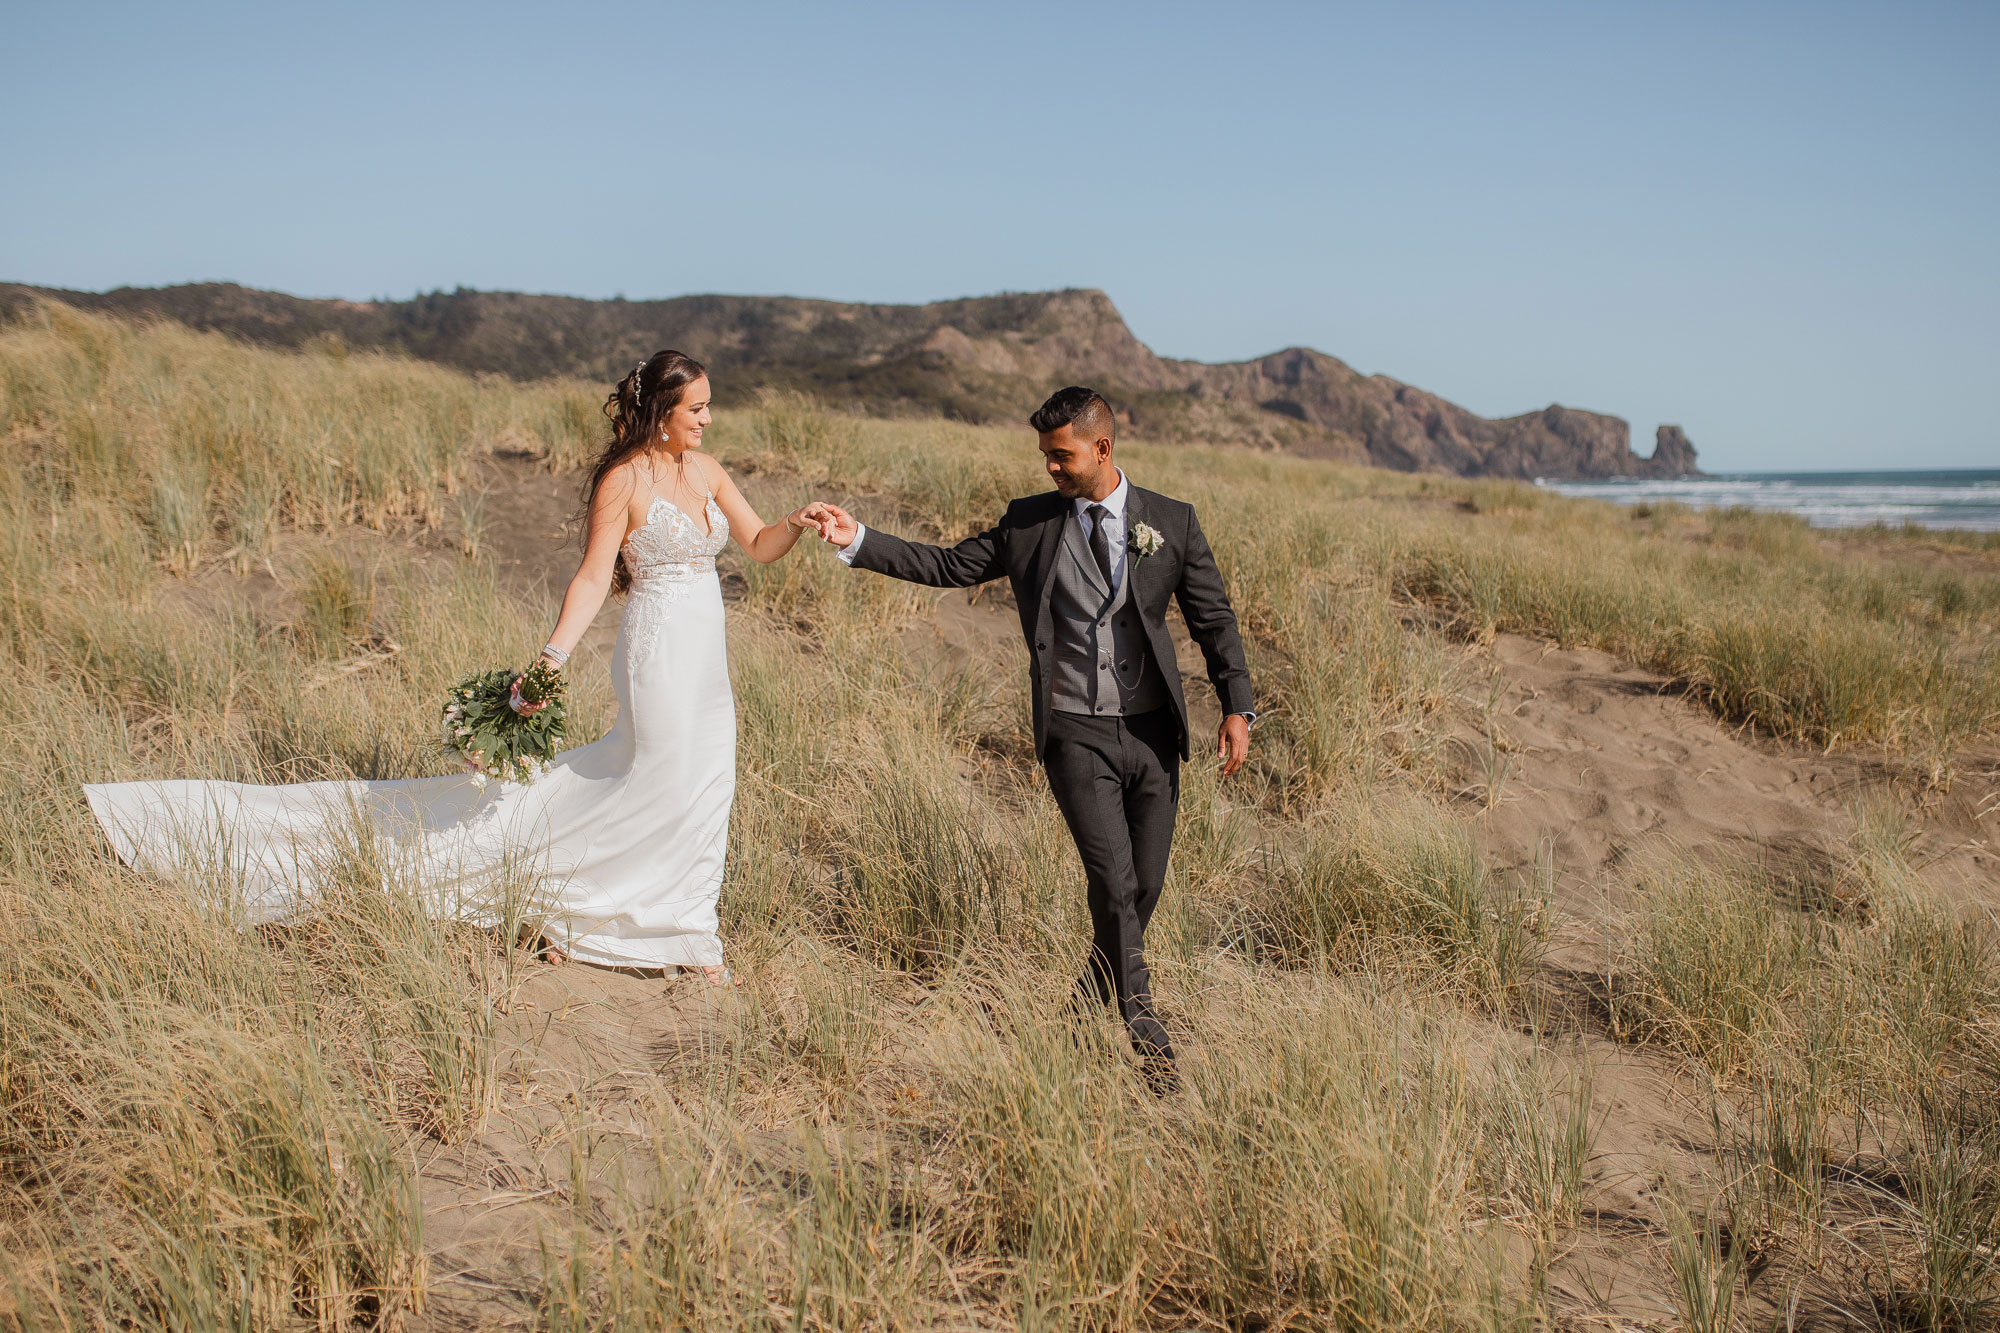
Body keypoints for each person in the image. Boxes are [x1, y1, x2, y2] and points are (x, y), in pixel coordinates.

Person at [85, 350, 836, 983]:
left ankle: (683, 922)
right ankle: (603, 911)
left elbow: (758, 544)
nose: (708, 420)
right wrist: (547, 665)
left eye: (708, 409)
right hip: (657, 652)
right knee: (656, 771)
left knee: (706, 781)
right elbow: (588, 580)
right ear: (662, 410)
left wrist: (797, 525)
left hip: (709, 662)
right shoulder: (625, 481)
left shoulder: (706, 472)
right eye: (697, 408)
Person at [814, 386, 1254, 1090]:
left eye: (1061, 454)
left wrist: (1238, 705)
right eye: (1045, 455)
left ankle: (1078, 1020)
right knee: (1111, 882)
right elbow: (949, 565)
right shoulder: (1029, 524)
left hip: (1152, 736)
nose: (1049, 467)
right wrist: (858, 540)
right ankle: (1145, 1026)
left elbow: (1214, 618)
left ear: (1101, 449)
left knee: (1144, 888)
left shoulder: (1170, 521)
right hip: (1074, 731)